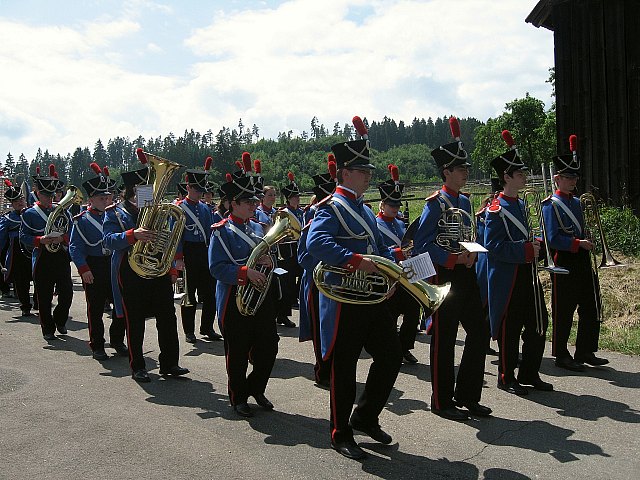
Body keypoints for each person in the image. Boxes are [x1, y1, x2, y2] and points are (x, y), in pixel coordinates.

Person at [306, 116, 402, 460]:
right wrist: (354, 260)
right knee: (344, 370)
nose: (369, 176)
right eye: (363, 171)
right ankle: (340, 431)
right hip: (345, 300)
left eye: (369, 171)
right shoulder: (330, 207)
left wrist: (395, 265)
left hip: (371, 298)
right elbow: (315, 243)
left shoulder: (362, 209)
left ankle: (364, 416)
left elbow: (376, 247)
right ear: (345, 173)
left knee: (390, 357)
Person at [413, 117, 491, 421]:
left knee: (480, 332)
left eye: (467, 168)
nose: (466, 173)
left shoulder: (466, 201)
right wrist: (451, 259)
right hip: (444, 276)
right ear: (447, 172)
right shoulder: (435, 204)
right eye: (461, 169)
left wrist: (470, 253)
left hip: (466, 274)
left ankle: (468, 395)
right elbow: (420, 244)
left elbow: (467, 235)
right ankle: (441, 401)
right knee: (444, 341)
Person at [103, 149, 188, 383]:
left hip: (157, 270)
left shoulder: (159, 210)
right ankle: (138, 366)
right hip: (130, 271)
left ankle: (170, 362)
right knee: (135, 321)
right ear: (133, 193)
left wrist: (171, 269)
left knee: (168, 318)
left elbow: (167, 241)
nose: (150, 196)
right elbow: (108, 240)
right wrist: (133, 234)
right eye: (145, 192)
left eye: (150, 192)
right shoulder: (115, 214)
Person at [484, 130, 553, 395]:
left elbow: (523, 237)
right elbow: (492, 247)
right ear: (507, 177)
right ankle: (506, 375)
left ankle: (530, 373)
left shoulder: (522, 205)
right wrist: (524, 250)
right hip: (508, 278)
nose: (524, 177)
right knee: (510, 328)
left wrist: (536, 244)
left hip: (527, 274)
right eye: (520, 174)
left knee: (538, 322)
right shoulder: (495, 210)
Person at [209, 172, 279, 418]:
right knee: (237, 353)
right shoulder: (221, 232)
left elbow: (270, 256)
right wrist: (245, 272)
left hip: (260, 298)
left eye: (253, 201)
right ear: (233, 204)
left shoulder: (258, 229)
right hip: (234, 300)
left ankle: (256, 388)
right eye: (247, 202)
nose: (253, 205)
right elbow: (216, 268)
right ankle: (238, 397)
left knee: (269, 348)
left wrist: (270, 261)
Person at [542, 135, 609, 370]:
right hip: (564, 259)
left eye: (575, 177)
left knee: (591, 306)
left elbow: (582, 229)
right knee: (565, 309)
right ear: (557, 178)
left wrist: (587, 239)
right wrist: (577, 243)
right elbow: (553, 238)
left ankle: (585, 350)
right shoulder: (550, 204)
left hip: (582, 258)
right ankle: (561, 353)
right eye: (569, 177)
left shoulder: (579, 202)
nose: (574, 181)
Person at [69, 163, 127, 360]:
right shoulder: (81, 220)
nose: (106, 200)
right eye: (101, 198)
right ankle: (97, 345)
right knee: (95, 309)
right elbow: (75, 247)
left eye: (109, 197)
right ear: (91, 199)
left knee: (121, 306)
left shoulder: (117, 216)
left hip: (114, 264)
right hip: (94, 265)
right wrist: (84, 269)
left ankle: (117, 340)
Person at [19, 164, 73, 341]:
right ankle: (47, 329)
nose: (49, 198)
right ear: (37, 193)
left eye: (52, 195)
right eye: (45, 195)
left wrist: (62, 238)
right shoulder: (29, 214)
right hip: (42, 256)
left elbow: (71, 231)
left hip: (60, 255)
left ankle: (60, 319)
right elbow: (24, 237)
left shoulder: (62, 211)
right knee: (44, 295)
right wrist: (40, 240)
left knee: (67, 292)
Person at [376, 164, 421, 364]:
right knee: (390, 316)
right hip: (388, 276)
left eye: (397, 205)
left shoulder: (401, 223)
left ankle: (404, 347)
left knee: (412, 314)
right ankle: (390, 349)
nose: (395, 208)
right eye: (391, 205)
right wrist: (398, 253)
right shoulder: (376, 225)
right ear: (383, 204)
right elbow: (377, 251)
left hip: (407, 274)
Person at [297, 158, 337, 388]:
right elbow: (303, 257)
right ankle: (322, 371)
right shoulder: (312, 218)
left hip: (336, 281)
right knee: (321, 329)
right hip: (316, 281)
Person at [176, 156, 222, 343]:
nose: (198, 193)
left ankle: (207, 327)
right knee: (189, 295)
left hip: (204, 252)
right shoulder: (179, 208)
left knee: (210, 293)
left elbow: (212, 232)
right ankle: (189, 331)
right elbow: (176, 235)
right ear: (188, 188)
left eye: (200, 190)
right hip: (187, 252)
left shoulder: (205, 209)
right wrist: (178, 257)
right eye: (195, 189)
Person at [0, 179, 34, 316]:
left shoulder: (34, 214)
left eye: (21, 200)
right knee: (21, 280)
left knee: (40, 277)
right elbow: (1, 238)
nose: (20, 203)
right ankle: (25, 306)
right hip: (17, 252)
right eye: (16, 202)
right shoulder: (7, 219)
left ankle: (39, 301)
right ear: (12, 204)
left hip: (34, 249)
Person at [275, 171, 304, 328]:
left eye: (298, 196)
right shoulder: (283, 213)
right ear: (288, 199)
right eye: (294, 197)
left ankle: (294, 300)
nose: (297, 199)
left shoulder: (300, 211)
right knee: (286, 282)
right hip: (286, 251)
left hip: (298, 248)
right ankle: (283, 314)